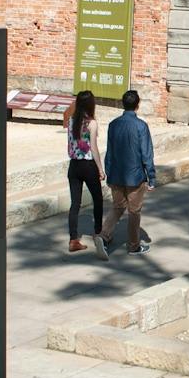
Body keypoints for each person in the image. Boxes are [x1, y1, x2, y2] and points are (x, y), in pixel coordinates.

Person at [99, 89, 155, 256]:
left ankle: (104, 235)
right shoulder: (141, 126)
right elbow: (146, 154)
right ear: (138, 105)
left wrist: (108, 172)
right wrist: (151, 177)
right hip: (135, 176)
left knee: (117, 207)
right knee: (134, 211)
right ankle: (133, 245)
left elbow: (110, 151)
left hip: (116, 173)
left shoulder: (113, 124)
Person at [63, 90, 103, 254]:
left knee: (75, 203)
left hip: (74, 165)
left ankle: (73, 239)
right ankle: (98, 233)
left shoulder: (71, 121)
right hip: (88, 165)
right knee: (98, 199)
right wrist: (100, 168)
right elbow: (93, 148)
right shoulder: (92, 123)